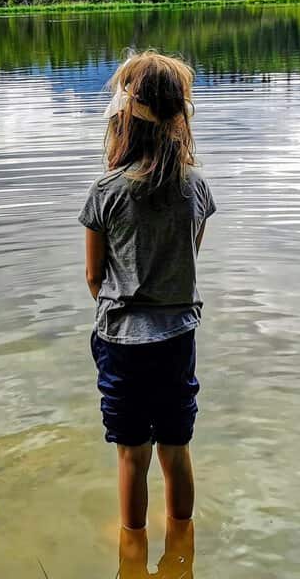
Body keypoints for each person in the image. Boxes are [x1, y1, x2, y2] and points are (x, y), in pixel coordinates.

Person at [80, 50, 215, 541]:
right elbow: (190, 253)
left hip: (121, 340)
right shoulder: (195, 187)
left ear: (123, 119)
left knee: (132, 456)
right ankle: (183, 548)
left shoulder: (105, 191)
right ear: (179, 117)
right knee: (176, 450)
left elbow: (95, 277)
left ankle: (132, 552)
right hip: (177, 337)